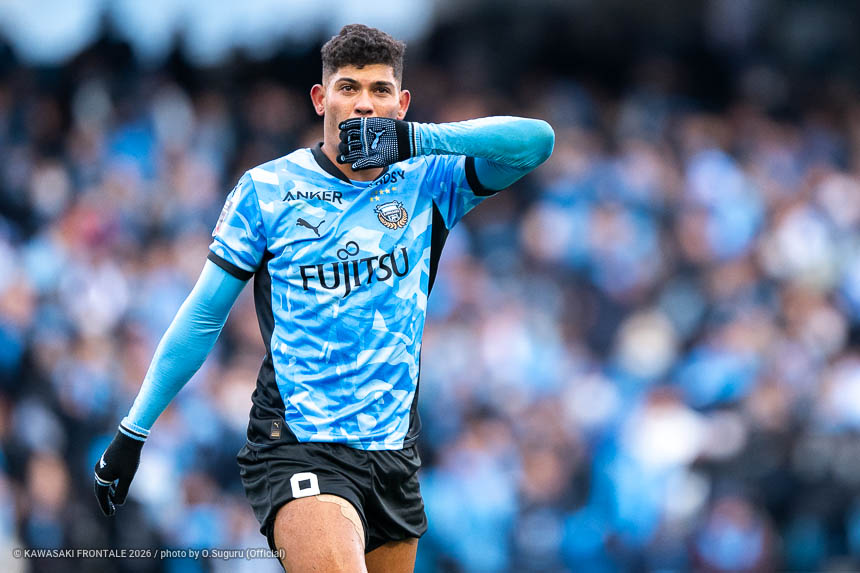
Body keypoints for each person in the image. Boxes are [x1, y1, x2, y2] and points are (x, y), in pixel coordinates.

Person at [94, 23, 554, 572]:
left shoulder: (428, 179)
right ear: (320, 98)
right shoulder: (267, 190)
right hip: (298, 443)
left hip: (392, 450)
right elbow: (202, 317)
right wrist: (134, 430)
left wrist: (420, 139)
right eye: (348, 87)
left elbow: (537, 142)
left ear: (402, 104)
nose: (364, 103)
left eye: (380, 90)